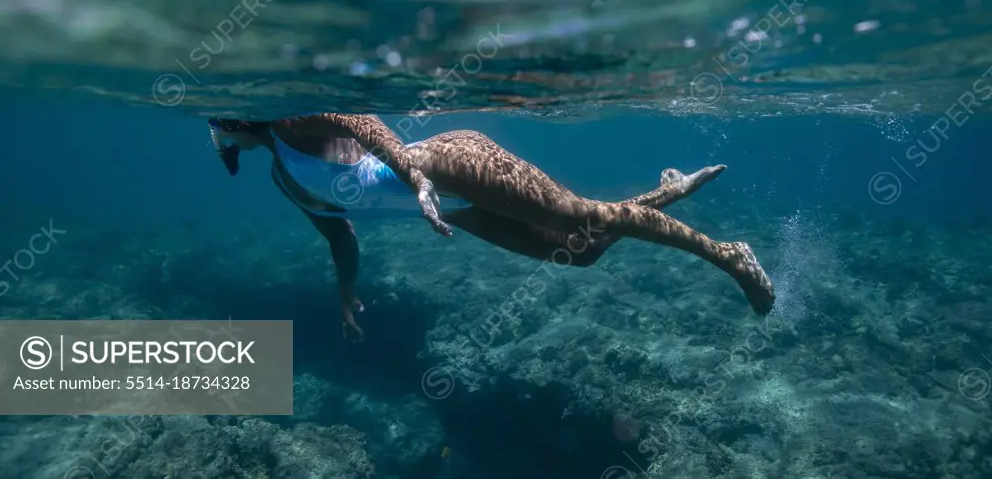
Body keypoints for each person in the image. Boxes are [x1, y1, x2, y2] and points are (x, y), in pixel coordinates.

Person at [209, 114, 775, 338]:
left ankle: (727, 254)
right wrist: (346, 290)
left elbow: (363, 123)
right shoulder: (284, 180)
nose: (220, 134)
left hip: (448, 164)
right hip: (455, 210)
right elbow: (338, 232)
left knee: (583, 214)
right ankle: (664, 192)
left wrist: (417, 176)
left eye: (219, 125)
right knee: (581, 251)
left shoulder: (291, 124)